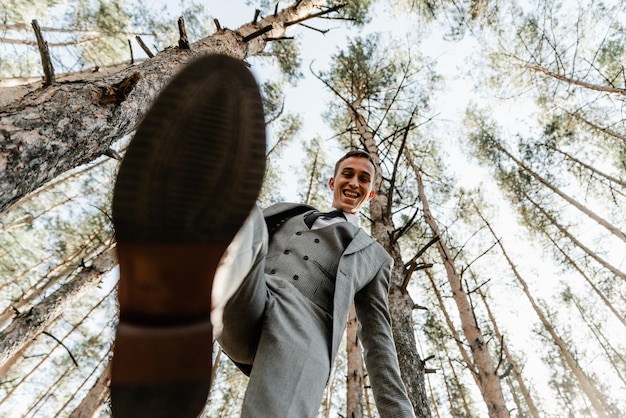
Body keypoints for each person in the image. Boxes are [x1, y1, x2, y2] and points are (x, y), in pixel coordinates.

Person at [109, 53, 415, 418]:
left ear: (371, 194)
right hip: (249, 295)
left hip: (305, 331)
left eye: (364, 179)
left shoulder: (374, 256)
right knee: (245, 213)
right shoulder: (288, 211)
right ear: (332, 181)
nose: (354, 182)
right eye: (348, 174)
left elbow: (378, 342)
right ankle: (171, 320)